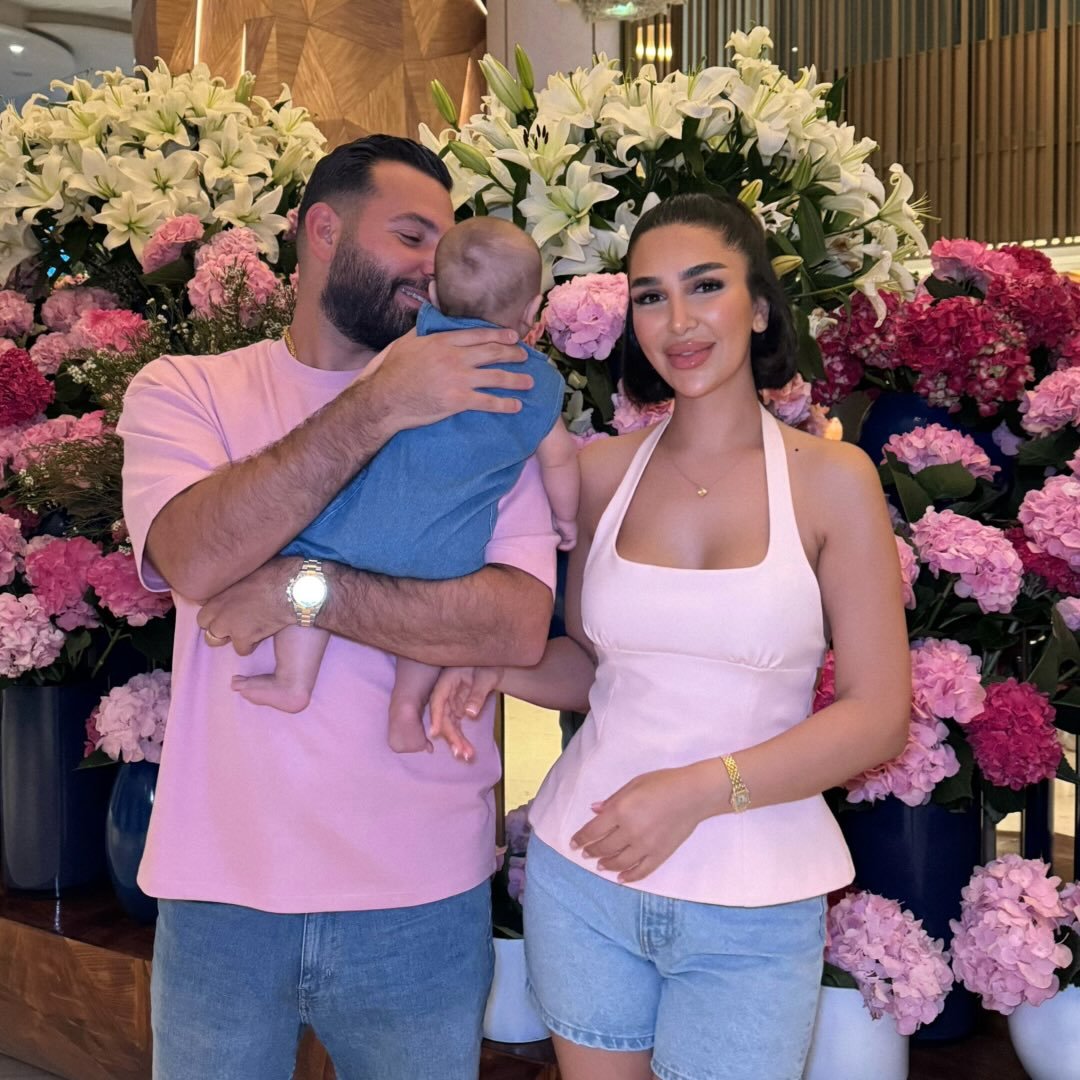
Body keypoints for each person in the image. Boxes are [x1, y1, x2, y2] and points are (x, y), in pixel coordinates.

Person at [431, 192, 911, 1080]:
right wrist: (492, 666)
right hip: (585, 871)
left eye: (706, 286)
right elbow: (595, 667)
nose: (679, 322)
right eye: (650, 296)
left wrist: (697, 792)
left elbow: (879, 715)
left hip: (754, 899)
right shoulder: (599, 473)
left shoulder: (834, 480)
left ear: (759, 307)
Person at [117, 135, 559, 1080]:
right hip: (220, 889)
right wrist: (379, 405)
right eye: (411, 235)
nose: (434, 264)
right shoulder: (187, 390)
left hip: (421, 894)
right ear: (323, 230)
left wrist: (298, 591)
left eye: (443, 241)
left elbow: (514, 623)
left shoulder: (483, 397)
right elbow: (194, 557)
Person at [234, 216, 578, 762]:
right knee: (435, 628)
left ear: (434, 295)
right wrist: (567, 520)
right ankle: (405, 711)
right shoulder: (536, 383)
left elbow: (364, 398)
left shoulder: (414, 347)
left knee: (307, 552)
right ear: (533, 309)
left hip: (363, 523)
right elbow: (558, 458)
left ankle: (293, 681)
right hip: (450, 547)